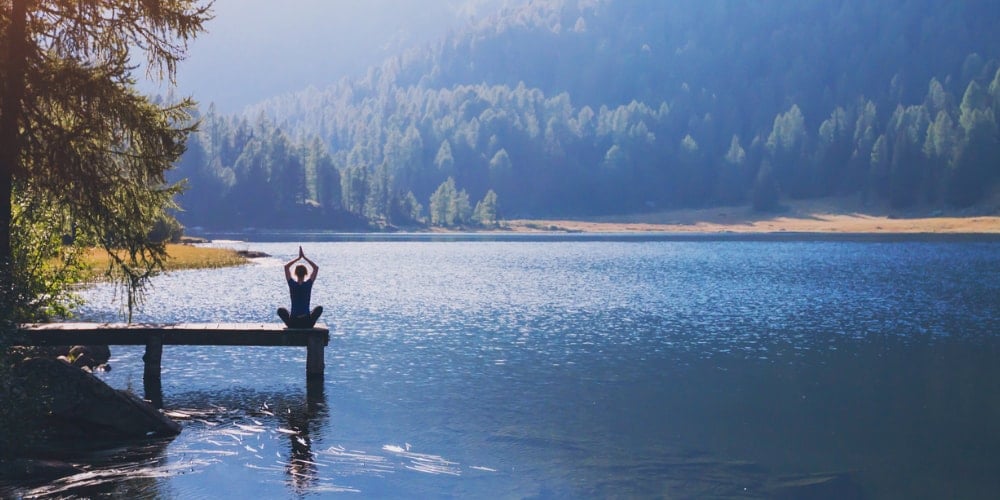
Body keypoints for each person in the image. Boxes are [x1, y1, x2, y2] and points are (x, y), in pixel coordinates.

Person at [278, 246, 323, 328]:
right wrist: (304, 257)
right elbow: (316, 268)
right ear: (306, 273)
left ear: (295, 273)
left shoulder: (292, 284)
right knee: (319, 308)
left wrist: (298, 258)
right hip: (307, 322)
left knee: (280, 310)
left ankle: (291, 324)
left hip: (293, 322)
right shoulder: (308, 284)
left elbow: (286, 267)